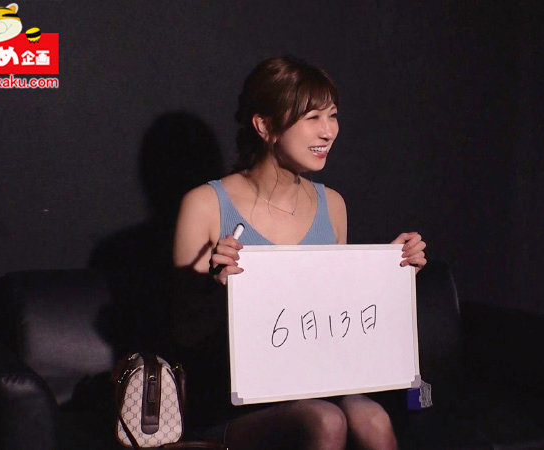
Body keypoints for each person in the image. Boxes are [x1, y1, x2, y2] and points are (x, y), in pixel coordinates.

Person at [171, 56, 427, 449]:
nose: (329, 131)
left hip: (317, 386)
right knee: (325, 420)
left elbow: (334, 321)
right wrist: (216, 287)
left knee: (373, 419)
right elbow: (182, 336)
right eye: (313, 118)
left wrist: (387, 274)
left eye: (333, 116)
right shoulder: (205, 205)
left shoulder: (333, 205)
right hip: (234, 401)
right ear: (265, 126)